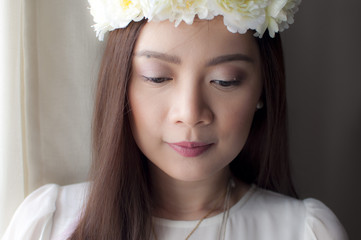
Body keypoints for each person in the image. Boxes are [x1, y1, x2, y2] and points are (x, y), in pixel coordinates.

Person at [2, 0, 348, 239]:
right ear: (120, 85)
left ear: (262, 90)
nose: (190, 113)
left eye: (225, 80)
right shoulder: (48, 223)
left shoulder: (304, 231)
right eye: (157, 77)